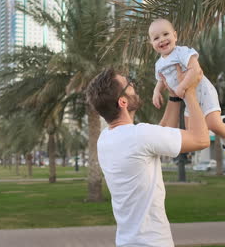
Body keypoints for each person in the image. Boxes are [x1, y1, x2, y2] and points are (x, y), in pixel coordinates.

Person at [85, 66, 209, 247]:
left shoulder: (106, 139)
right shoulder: (139, 136)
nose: (133, 85)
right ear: (123, 102)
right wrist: (189, 90)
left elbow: (160, 136)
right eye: (129, 85)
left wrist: (174, 97)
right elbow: (201, 139)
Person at [149, 18, 225, 167]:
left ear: (175, 36)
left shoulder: (182, 52)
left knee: (213, 123)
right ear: (152, 43)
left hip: (204, 93)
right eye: (156, 38)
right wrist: (156, 91)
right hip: (188, 100)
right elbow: (161, 80)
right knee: (193, 131)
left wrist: (183, 86)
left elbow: (195, 69)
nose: (162, 40)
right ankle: (223, 121)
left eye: (166, 34)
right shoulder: (159, 64)